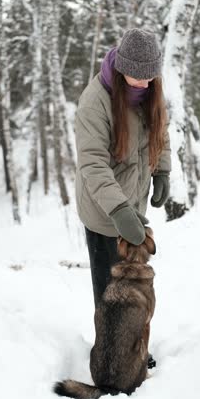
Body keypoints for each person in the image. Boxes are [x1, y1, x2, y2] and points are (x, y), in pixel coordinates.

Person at [74, 28, 171, 368]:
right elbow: (92, 163)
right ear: (120, 69)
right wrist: (118, 210)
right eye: (137, 77)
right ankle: (112, 360)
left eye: (150, 78)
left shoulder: (150, 91)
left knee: (134, 288)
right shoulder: (95, 101)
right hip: (104, 213)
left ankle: (134, 350)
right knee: (109, 294)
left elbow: (162, 130)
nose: (144, 85)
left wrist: (163, 171)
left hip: (134, 206)